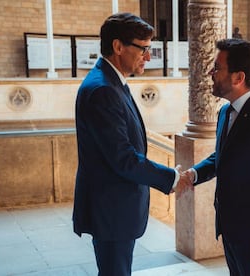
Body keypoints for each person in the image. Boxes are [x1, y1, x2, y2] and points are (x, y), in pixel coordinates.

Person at [72, 13, 192, 276]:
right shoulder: (103, 89)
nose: (148, 57)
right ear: (118, 47)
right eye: (144, 49)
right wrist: (172, 177)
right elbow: (123, 158)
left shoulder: (111, 82)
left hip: (114, 209)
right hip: (111, 211)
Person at [184, 39, 250, 275]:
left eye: (217, 68)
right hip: (231, 228)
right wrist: (195, 174)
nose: (210, 73)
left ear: (238, 77)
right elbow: (222, 157)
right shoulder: (225, 112)